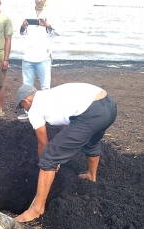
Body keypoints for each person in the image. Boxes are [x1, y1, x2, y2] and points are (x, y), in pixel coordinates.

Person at [14, 83, 117, 222]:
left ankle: (36, 210)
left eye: (22, 106)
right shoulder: (48, 95)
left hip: (91, 113)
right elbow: (69, 123)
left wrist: (48, 163)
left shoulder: (34, 109)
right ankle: (91, 175)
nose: (24, 110)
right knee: (90, 140)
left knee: (50, 155)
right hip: (109, 106)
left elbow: (43, 143)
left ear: (26, 100)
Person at [17, 0, 59, 120]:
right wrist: (23, 26)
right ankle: (27, 111)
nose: (40, 0)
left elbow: (60, 31)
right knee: (27, 85)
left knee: (45, 86)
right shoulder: (27, 10)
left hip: (43, 54)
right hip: (28, 54)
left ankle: (45, 112)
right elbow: (21, 32)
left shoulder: (52, 12)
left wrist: (48, 25)